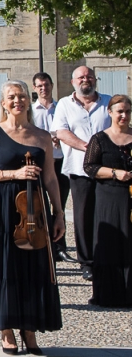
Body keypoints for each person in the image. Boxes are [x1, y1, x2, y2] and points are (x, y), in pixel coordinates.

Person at [0, 80, 63, 354]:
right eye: (11, 97)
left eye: (22, 96)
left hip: (34, 208)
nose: (17, 101)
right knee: (4, 267)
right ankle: (6, 328)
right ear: (3, 103)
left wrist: (58, 212)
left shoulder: (42, 136)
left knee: (33, 266)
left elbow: (50, 177)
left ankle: (29, 328)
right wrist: (13, 174)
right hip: (0, 206)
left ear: (28, 100)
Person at [52, 66, 110, 282]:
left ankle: (107, 257)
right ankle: (87, 262)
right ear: (73, 82)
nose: (86, 80)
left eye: (89, 76)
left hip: (107, 169)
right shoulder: (65, 104)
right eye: (81, 77)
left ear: (95, 79)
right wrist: (88, 147)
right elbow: (62, 132)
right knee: (83, 216)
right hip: (79, 169)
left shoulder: (108, 102)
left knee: (108, 214)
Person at [83, 94, 132, 308]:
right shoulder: (100, 139)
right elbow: (90, 167)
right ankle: (109, 294)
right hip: (109, 196)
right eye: (120, 111)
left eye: (127, 111)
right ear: (110, 112)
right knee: (110, 243)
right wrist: (114, 173)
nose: (124, 115)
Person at [32, 71, 73, 262]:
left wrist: (60, 138)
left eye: (46, 85)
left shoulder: (62, 108)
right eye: (40, 85)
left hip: (61, 161)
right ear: (35, 88)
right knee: (39, 205)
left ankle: (60, 246)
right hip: (41, 164)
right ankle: (43, 243)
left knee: (59, 205)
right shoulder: (31, 111)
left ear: (52, 86)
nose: (43, 88)